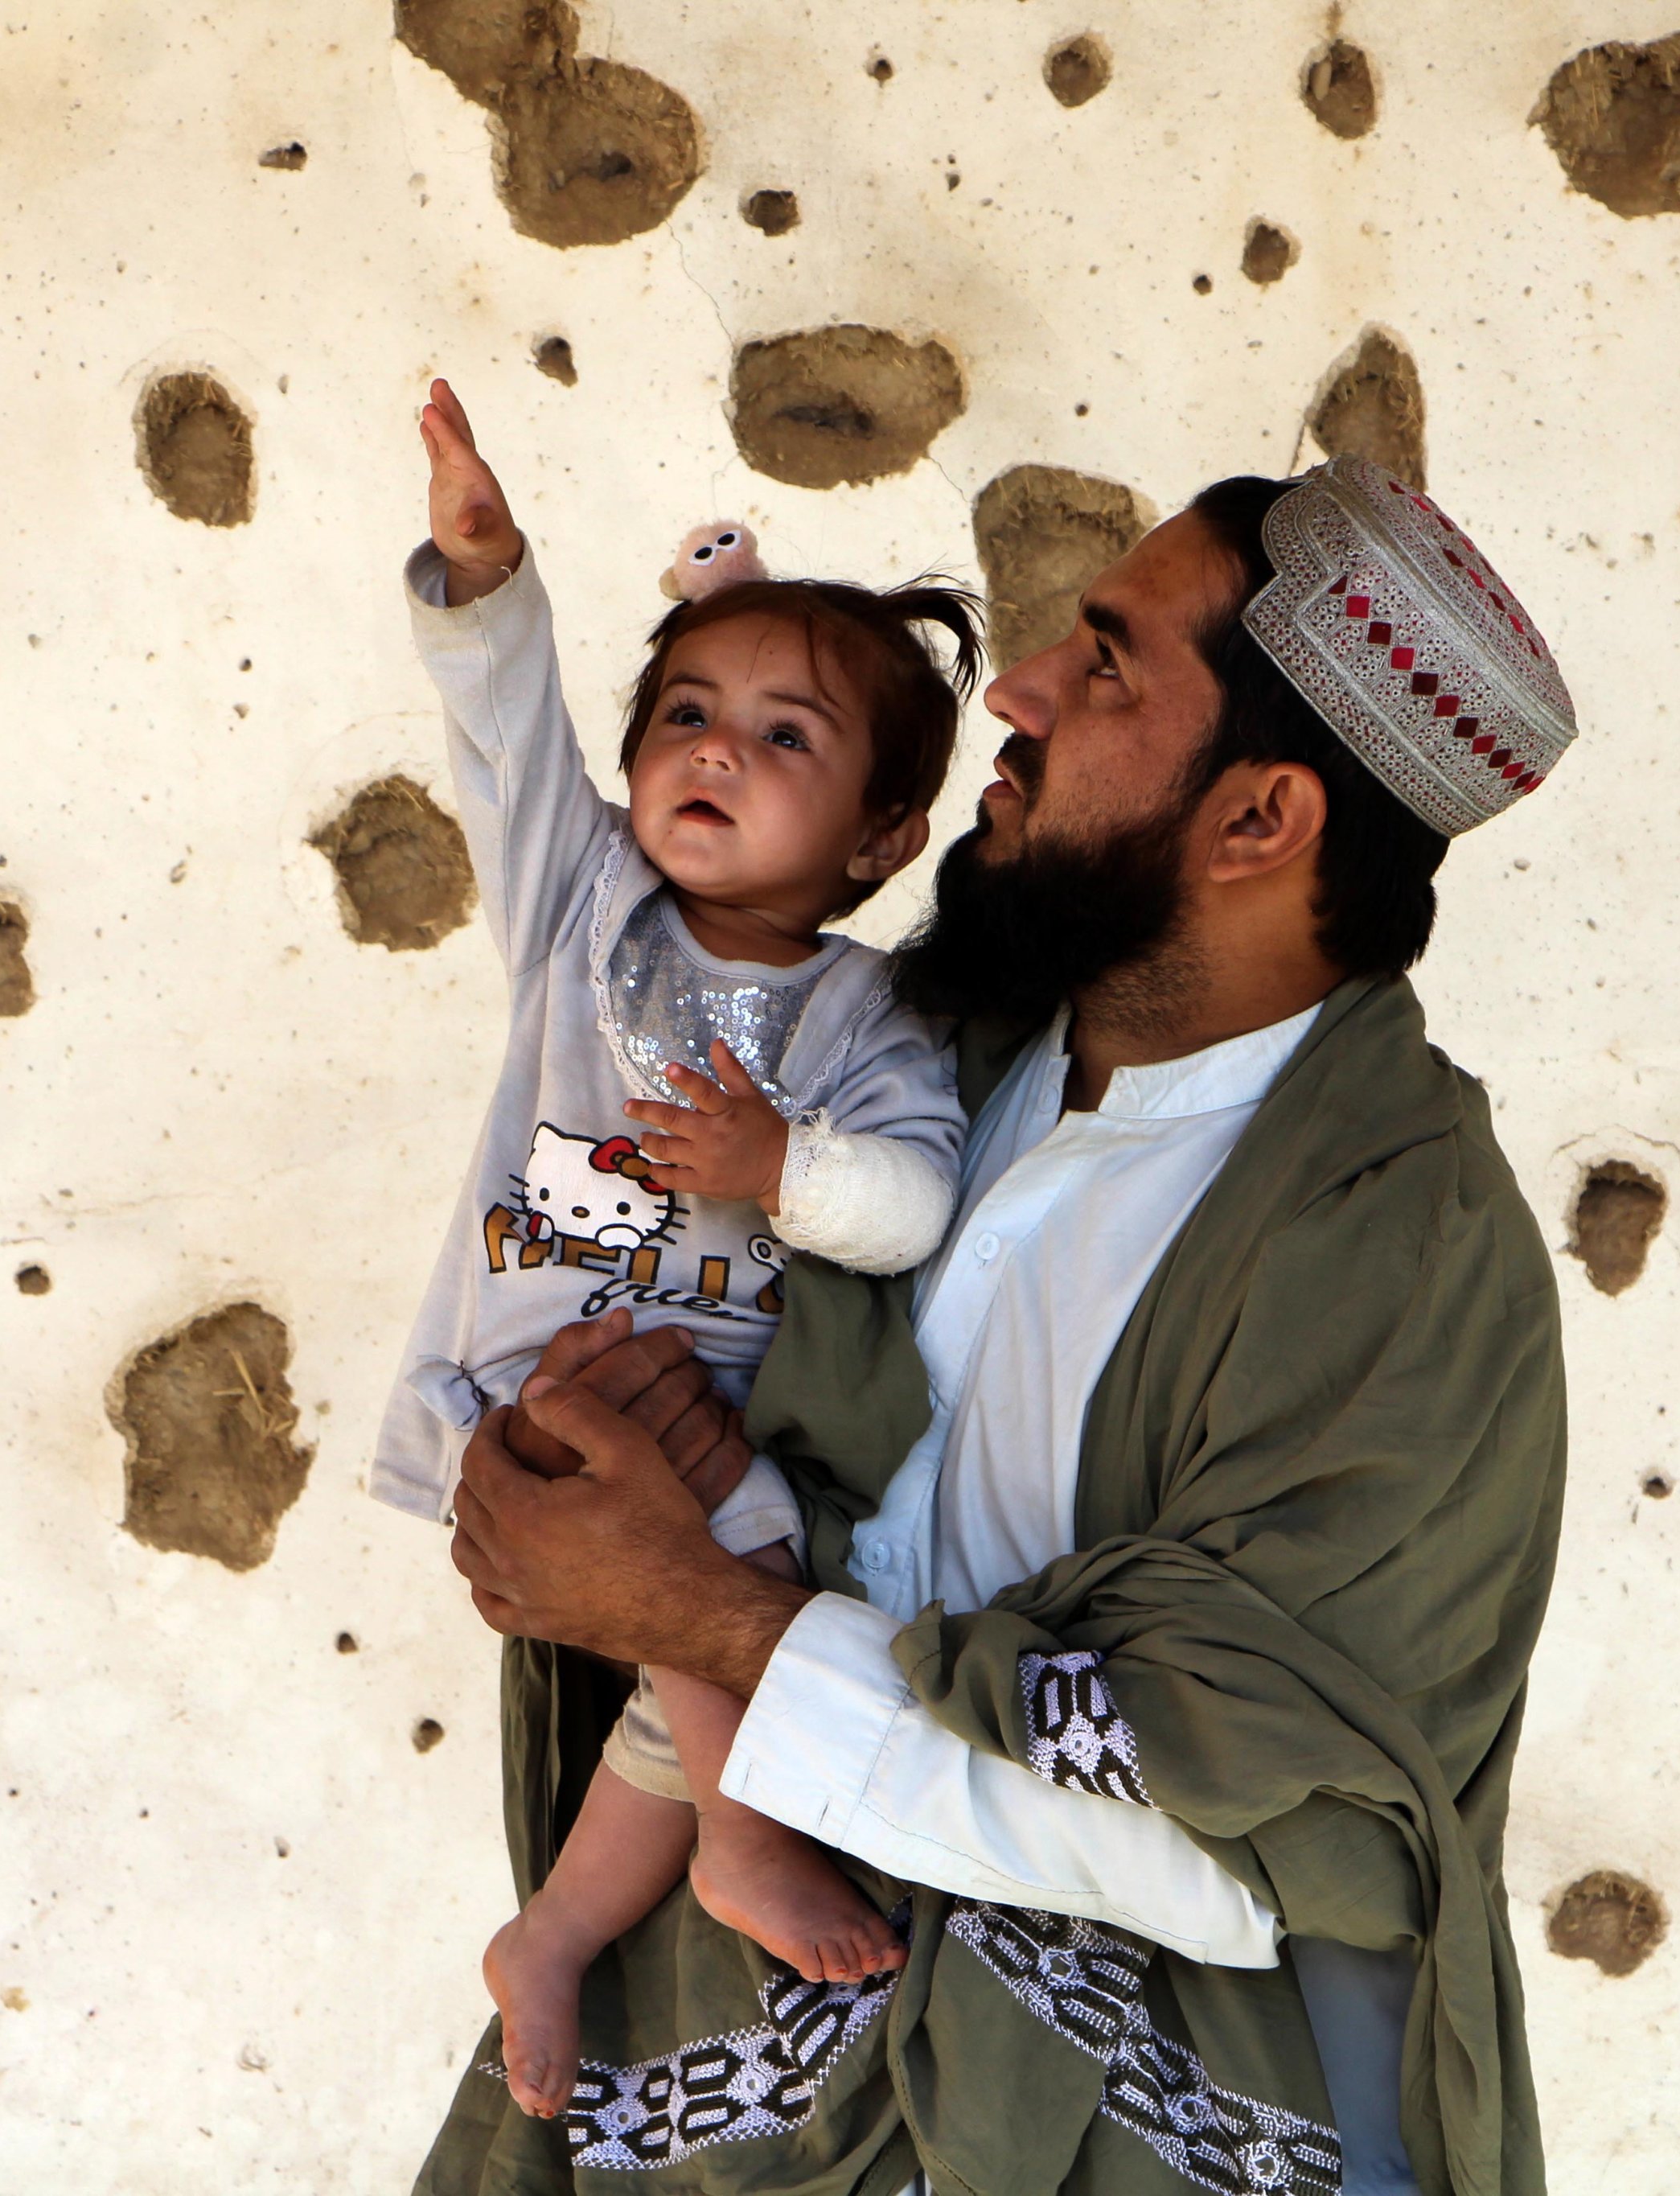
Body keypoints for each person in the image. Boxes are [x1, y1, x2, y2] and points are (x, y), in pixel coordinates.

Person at [425, 454, 1578, 2196]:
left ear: (1260, 822)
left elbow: (1248, 1851)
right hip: (737, 2088)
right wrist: (571, 1475)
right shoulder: (902, 1070)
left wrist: (695, 1611)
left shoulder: (1399, 1250)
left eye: (1104, 666)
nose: (1019, 694)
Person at [370, 380, 982, 2120]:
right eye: (688, 715)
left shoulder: (867, 1018)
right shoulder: (585, 911)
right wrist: (486, 581)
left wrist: (787, 1164)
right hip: (543, 1378)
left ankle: (558, 1929)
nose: (716, 751)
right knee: (735, 1569)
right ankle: (738, 1840)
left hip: (706, 1406)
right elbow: (503, 736)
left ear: (879, 841)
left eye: (787, 739)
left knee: (714, 1619)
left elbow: (913, 1200)